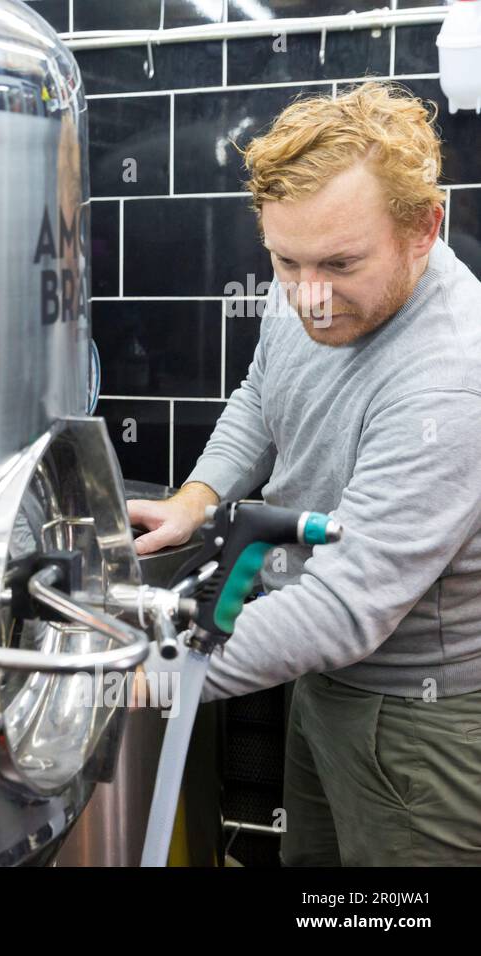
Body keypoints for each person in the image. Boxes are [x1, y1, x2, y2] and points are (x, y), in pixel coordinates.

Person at [128, 82, 481, 866]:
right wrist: (198, 496)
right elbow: (263, 396)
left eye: (339, 263)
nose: (309, 296)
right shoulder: (315, 276)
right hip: (319, 668)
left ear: (425, 228)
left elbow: (345, 605)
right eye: (285, 261)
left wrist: (132, 679)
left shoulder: (453, 377)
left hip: (420, 719)